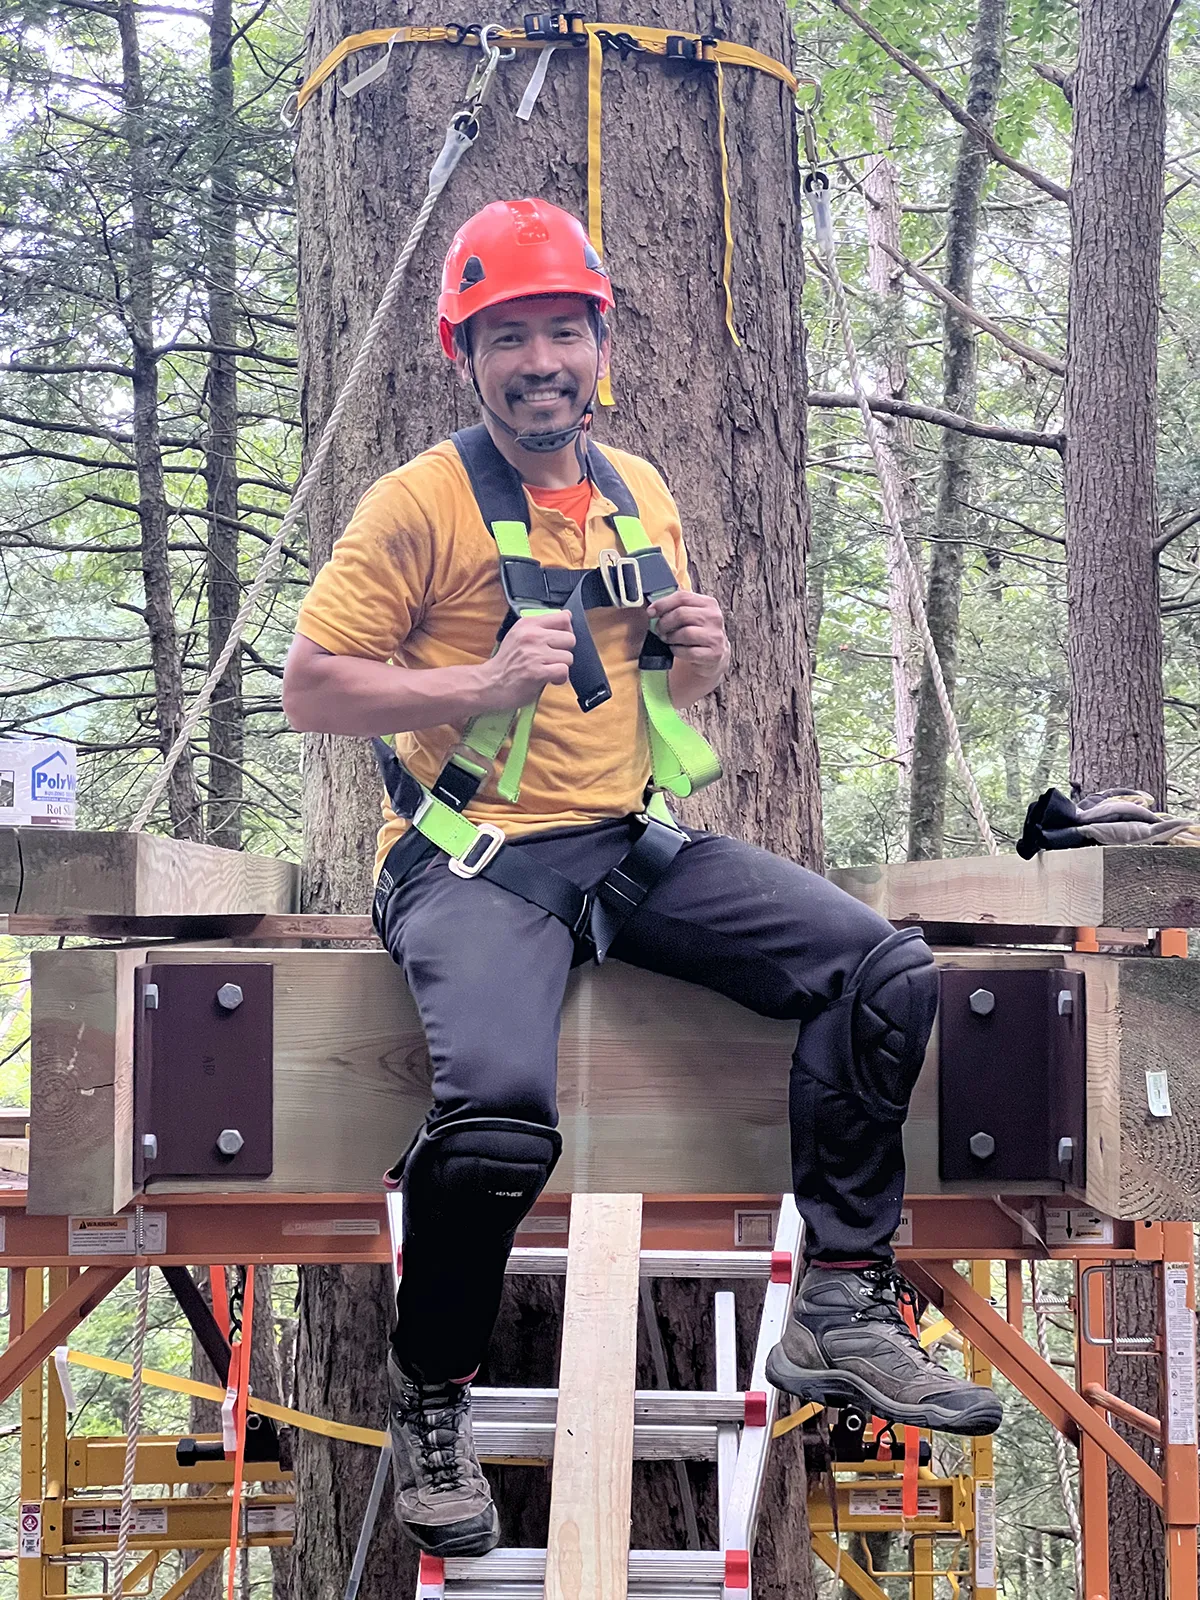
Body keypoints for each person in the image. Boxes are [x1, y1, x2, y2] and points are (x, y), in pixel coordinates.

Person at [282, 196, 1001, 1560]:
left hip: (625, 842)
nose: (540, 359)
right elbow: (311, 688)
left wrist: (704, 654)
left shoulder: (636, 491)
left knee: (880, 969)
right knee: (495, 1122)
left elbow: (673, 687)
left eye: (564, 330)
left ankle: (842, 1308)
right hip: (472, 860)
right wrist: (477, 679)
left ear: (600, 343)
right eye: (510, 337)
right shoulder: (421, 503)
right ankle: (431, 1394)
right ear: (466, 354)